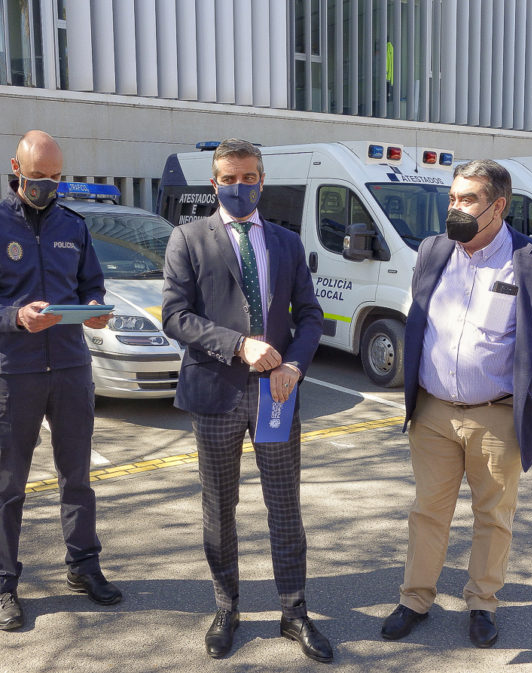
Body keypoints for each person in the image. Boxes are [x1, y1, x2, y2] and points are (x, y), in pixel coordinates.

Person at [380, 159, 532, 647]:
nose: (456, 208)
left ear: (499, 206)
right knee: (428, 510)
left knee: (493, 514)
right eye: (452, 198)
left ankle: (482, 604)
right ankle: (415, 599)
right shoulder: (432, 251)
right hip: (432, 412)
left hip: (496, 414)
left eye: (467, 199)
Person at [161, 138, 331, 663]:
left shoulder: (284, 242)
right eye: (230, 179)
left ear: (263, 179)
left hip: (276, 396)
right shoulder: (188, 239)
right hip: (216, 394)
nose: (240, 187)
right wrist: (238, 345)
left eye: (250, 177)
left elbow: (310, 316)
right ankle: (226, 607)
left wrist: (295, 365)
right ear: (214, 183)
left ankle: (293, 610)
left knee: (284, 506)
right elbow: (174, 316)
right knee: (220, 509)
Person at [0, 130, 121, 631]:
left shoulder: (73, 225)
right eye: (37, 178)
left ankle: (84, 567)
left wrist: (95, 309)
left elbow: (91, 285)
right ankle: (3, 584)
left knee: (78, 478)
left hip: (71, 367)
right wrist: (16, 316)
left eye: (55, 178)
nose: (47, 186)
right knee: (11, 485)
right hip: (15, 373)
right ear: (15, 168)